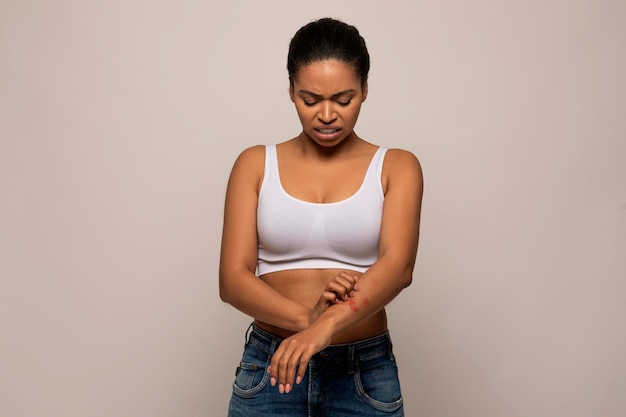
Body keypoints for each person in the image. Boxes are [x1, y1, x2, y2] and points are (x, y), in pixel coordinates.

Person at [219, 17, 423, 417]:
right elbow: (232, 280)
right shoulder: (255, 164)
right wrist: (306, 320)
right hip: (271, 366)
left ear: (365, 90)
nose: (326, 114)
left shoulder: (397, 166)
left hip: (363, 372)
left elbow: (399, 267)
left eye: (343, 99)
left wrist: (324, 328)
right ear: (292, 90)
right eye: (310, 100)